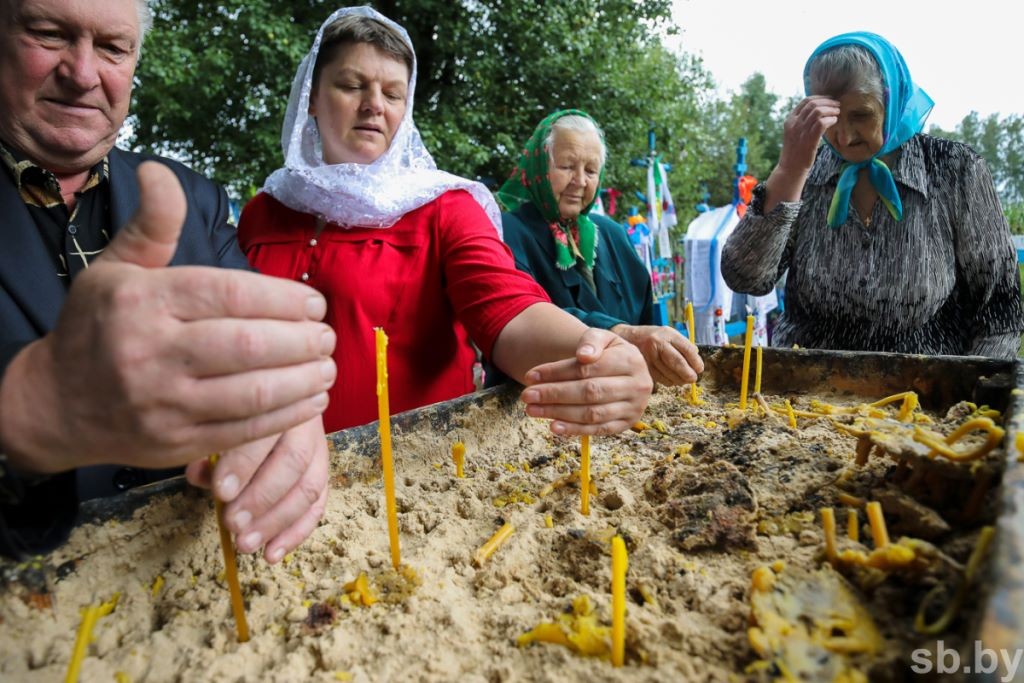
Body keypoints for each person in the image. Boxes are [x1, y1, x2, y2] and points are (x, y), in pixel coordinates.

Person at [0, 0, 335, 563]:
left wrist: (286, 408)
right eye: (49, 34)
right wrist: (25, 409)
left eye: (112, 47)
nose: (83, 73)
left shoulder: (195, 197)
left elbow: (258, 356)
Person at [238, 7, 652, 435]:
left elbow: (508, 311)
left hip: (405, 486)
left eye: (393, 94)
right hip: (262, 471)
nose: (374, 105)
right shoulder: (265, 211)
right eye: (351, 85)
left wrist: (596, 353)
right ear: (312, 96)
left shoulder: (444, 207)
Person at [721, 32, 1024, 357]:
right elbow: (745, 278)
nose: (844, 136)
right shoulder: (805, 173)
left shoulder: (955, 170)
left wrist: (972, 396)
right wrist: (789, 171)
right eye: (832, 118)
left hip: (921, 395)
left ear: (891, 101)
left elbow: (1000, 312)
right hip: (805, 395)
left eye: (861, 115)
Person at [497, 111, 703, 386]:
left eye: (591, 170)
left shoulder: (613, 234)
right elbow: (518, 318)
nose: (580, 181)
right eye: (567, 166)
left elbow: (646, 317)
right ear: (538, 167)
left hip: (623, 403)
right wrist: (622, 334)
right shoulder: (505, 232)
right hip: (538, 405)